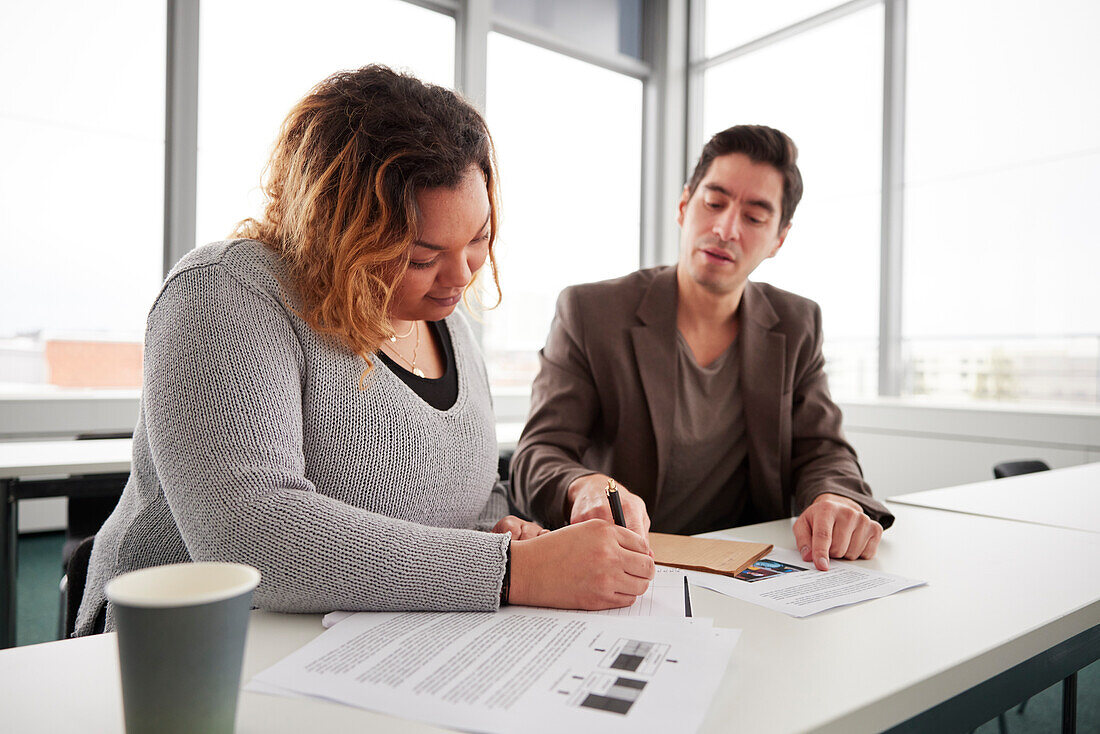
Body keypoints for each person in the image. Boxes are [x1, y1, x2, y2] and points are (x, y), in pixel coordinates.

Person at [75, 65, 653, 636]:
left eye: (477, 240)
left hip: (373, 643)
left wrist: (505, 529)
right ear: (340, 232)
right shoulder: (226, 292)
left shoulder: (449, 324)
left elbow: (471, 493)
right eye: (422, 258)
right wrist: (509, 571)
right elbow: (249, 535)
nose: (460, 277)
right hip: (183, 649)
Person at [510, 124, 894, 571]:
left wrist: (833, 496)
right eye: (713, 203)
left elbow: (824, 449)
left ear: (779, 239)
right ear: (683, 206)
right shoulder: (591, 312)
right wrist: (586, 486)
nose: (725, 228)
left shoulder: (797, 323)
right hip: (626, 567)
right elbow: (538, 453)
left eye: (754, 217)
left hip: (747, 568)